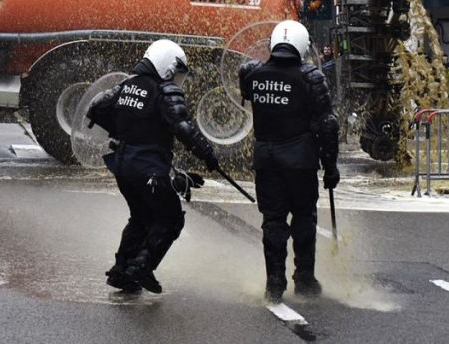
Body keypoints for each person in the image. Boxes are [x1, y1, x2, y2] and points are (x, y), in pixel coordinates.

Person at [86, 39, 221, 294]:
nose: (177, 79)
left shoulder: (126, 85)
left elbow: (97, 108)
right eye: (177, 72)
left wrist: (125, 130)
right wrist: (207, 154)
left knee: (141, 217)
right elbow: (183, 128)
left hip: (123, 165)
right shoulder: (164, 91)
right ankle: (142, 267)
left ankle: (120, 271)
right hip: (147, 167)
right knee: (169, 220)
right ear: (168, 67)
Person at [238, 20, 340, 303]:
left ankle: (274, 282)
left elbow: (245, 86)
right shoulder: (310, 77)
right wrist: (331, 166)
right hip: (300, 160)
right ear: (302, 46)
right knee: (304, 218)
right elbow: (327, 124)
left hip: (266, 159)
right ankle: (304, 279)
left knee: (273, 221)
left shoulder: (252, 74)